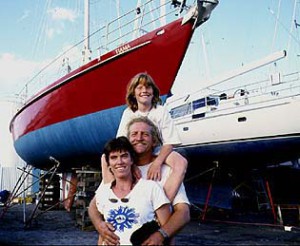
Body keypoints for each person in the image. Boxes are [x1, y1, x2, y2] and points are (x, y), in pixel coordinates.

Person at [89, 117, 190, 245]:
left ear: (154, 141)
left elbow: (183, 212)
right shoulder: (121, 168)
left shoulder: (167, 170)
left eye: (145, 134)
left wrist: (161, 234)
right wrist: (99, 225)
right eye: (134, 134)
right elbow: (95, 205)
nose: (139, 138)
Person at [102, 72, 187, 201]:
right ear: (133, 93)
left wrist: (158, 162)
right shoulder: (128, 113)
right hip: (134, 152)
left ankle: (163, 203)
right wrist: (132, 164)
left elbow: (170, 141)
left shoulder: (160, 110)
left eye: (148, 87)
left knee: (181, 162)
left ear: (153, 92)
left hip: (157, 151)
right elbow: (121, 141)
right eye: (140, 88)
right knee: (105, 158)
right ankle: (110, 198)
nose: (144, 91)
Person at [93, 136, 171, 245]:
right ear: (109, 163)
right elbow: (103, 234)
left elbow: (168, 233)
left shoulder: (151, 188)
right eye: (114, 157)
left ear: (132, 160)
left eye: (124, 156)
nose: (119, 162)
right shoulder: (103, 192)